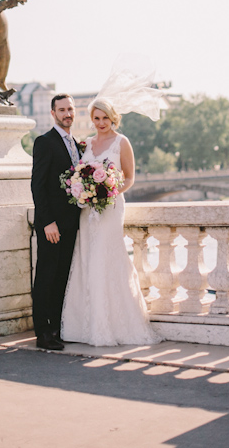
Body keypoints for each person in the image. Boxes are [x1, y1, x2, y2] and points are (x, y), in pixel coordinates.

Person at [61, 95, 162, 347]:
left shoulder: (122, 142)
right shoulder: (86, 144)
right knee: (87, 259)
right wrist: (83, 191)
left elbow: (129, 178)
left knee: (108, 258)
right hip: (87, 211)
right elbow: (78, 176)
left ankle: (114, 325)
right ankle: (85, 327)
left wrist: (109, 191)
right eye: (96, 118)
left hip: (110, 208)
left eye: (105, 117)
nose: (101, 122)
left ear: (113, 117)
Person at [30, 94, 82, 350]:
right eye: (62, 110)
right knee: (46, 277)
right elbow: (37, 186)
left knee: (62, 277)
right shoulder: (44, 142)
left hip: (72, 224)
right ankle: (43, 333)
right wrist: (47, 221)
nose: (67, 114)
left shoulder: (77, 145)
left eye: (70, 109)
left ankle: (56, 328)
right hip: (52, 225)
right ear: (53, 113)